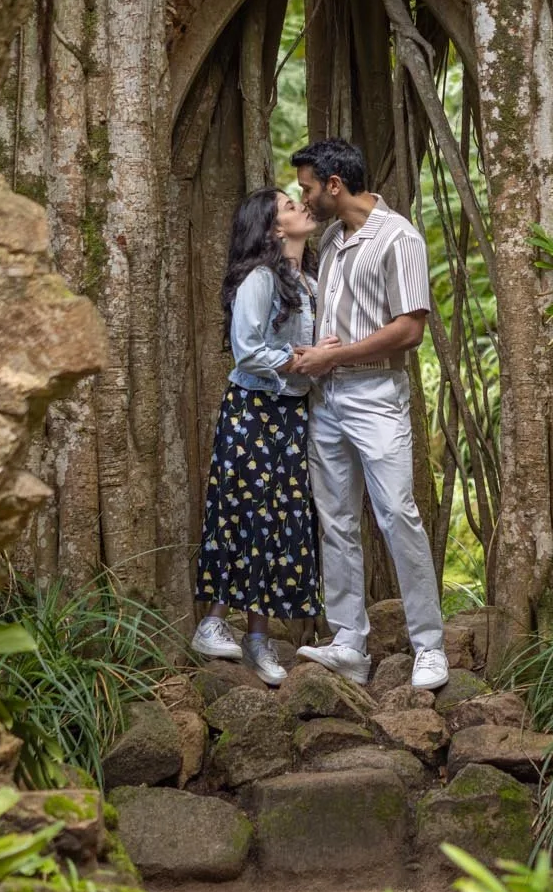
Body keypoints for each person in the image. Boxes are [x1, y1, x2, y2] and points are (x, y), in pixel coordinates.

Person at [284, 138, 448, 691]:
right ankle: (349, 640)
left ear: (334, 185)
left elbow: (410, 330)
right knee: (336, 520)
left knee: (398, 514)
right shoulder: (331, 238)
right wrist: (313, 356)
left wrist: (336, 355)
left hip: (375, 395)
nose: (303, 198)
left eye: (307, 187)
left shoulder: (398, 238)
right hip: (325, 398)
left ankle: (429, 646)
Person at [187, 187, 323, 687]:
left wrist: (318, 356)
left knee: (279, 519)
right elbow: (247, 349)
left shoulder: (306, 280)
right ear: (273, 230)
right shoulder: (261, 279)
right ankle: (213, 621)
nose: (301, 208)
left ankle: (258, 639)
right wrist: (300, 360)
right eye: (290, 207)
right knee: (242, 512)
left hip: (290, 413)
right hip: (252, 411)